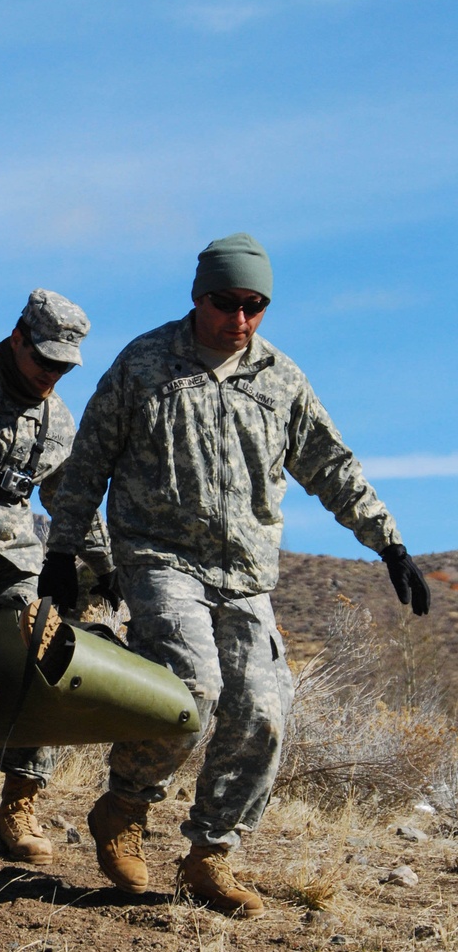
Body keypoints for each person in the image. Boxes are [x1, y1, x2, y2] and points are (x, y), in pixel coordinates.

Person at [40, 232, 430, 917]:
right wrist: (62, 551)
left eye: (255, 305)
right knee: (193, 686)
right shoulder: (145, 364)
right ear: (200, 297)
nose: (240, 318)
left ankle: (209, 856)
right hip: (161, 561)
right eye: (227, 301)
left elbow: (331, 466)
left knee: (265, 711)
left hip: (246, 574)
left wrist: (390, 544)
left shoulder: (281, 379)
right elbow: (88, 462)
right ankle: (125, 806)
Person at [0, 289, 116, 864]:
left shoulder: (57, 419)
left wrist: (105, 564)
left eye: (63, 368)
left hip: (14, 562)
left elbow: (69, 496)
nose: (50, 376)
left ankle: (19, 803)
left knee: (46, 660)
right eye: (43, 361)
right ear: (17, 339)